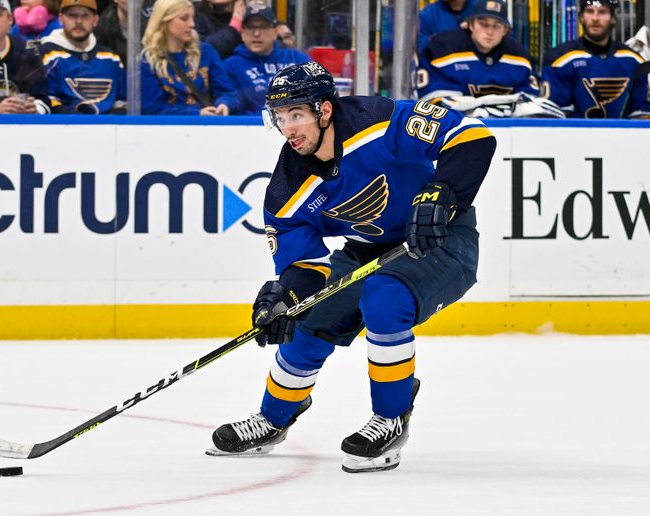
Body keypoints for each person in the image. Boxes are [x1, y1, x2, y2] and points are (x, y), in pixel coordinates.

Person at [206, 62, 496, 473]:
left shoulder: (380, 121)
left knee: (385, 297)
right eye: (280, 117)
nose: (288, 128)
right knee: (306, 321)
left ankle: (391, 417)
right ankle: (272, 419)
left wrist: (442, 191)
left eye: (297, 115)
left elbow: (473, 137)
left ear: (324, 110)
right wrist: (285, 296)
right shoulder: (288, 185)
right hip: (366, 249)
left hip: (442, 239)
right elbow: (303, 263)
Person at [541, 0, 650, 118]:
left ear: (613, 18)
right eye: (589, 11)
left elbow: (640, 114)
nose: (595, 18)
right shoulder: (559, 60)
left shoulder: (634, 61)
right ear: (581, 17)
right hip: (572, 135)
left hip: (621, 136)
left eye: (602, 12)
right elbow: (553, 118)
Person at [417, 0, 539, 106]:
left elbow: (532, 101)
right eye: (483, 24)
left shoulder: (519, 57)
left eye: (496, 26)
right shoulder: (439, 45)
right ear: (470, 25)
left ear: (505, 30)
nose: (490, 32)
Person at [140, 0, 239, 115]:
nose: (192, 24)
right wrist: (196, 113)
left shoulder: (206, 52)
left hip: (207, 127)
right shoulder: (148, 60)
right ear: (165, 21)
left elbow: (228, 92)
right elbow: (152, 108)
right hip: (167, 130)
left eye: (192, 17)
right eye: (184, 18)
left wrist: (224, 104)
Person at [41, 0, 126, 113]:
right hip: (64, 127)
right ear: (60, 19)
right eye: (72, 15)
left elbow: (123, 99)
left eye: (85, 16)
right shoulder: (46, 55)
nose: (79, 21)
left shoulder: (110, 58)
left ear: (95, 20)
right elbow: (46, 99)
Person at [223, 6, 310, 115]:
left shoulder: (297, 59)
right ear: (242, 33)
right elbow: (231, 99)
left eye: (263, 27)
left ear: (275, 32)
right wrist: (225, 104)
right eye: (250, 27)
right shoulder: (231, 65)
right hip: (252, 127)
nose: (256, 34)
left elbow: (319, 91)